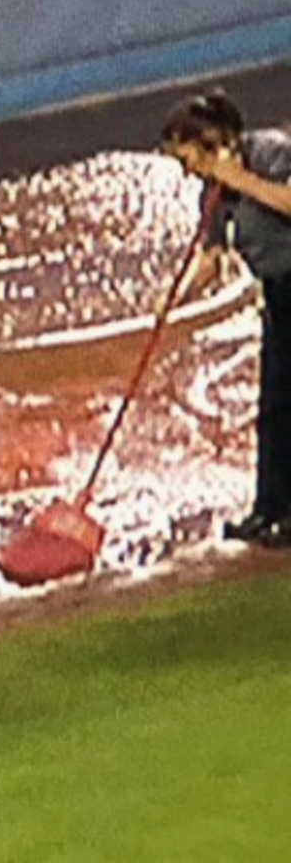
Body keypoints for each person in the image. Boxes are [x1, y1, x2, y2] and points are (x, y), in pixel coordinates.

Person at [161, 89, 291, 549]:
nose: (187, 168)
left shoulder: (269, 153)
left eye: (188, 156)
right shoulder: (213, 195)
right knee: (274, 408)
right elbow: (212, 260)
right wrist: (174, 302)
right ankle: (270, 510)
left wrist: (240, 178)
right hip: (278, 294)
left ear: (210, 141)